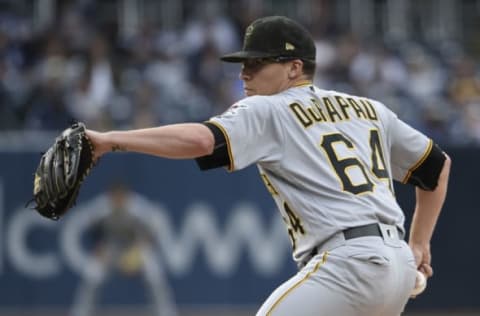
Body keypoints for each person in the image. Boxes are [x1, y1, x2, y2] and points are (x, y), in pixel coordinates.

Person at [85, 16, 451, 316]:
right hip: (398, 266)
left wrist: (110, 139)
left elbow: (200, 141)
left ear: (294, 68)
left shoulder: (269, 107)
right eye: (244, 64)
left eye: (257, 63)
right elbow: (437, 167)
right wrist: (418, 245)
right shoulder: (370, 109)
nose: (245, 73)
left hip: (346, 267)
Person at [71, 181, 178, 316]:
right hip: (111, 247)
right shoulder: (102, 207)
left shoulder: (137, 207)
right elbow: (90, 229)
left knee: (154, 271)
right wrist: (98, 247)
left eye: (121, 197)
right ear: (110, 196)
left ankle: (167, 312)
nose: (118, 200)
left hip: (134, 246)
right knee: (92, 273)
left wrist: (142, 246)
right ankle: (80, 312)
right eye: (115, 197)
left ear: (126, 196)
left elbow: (155, 227)